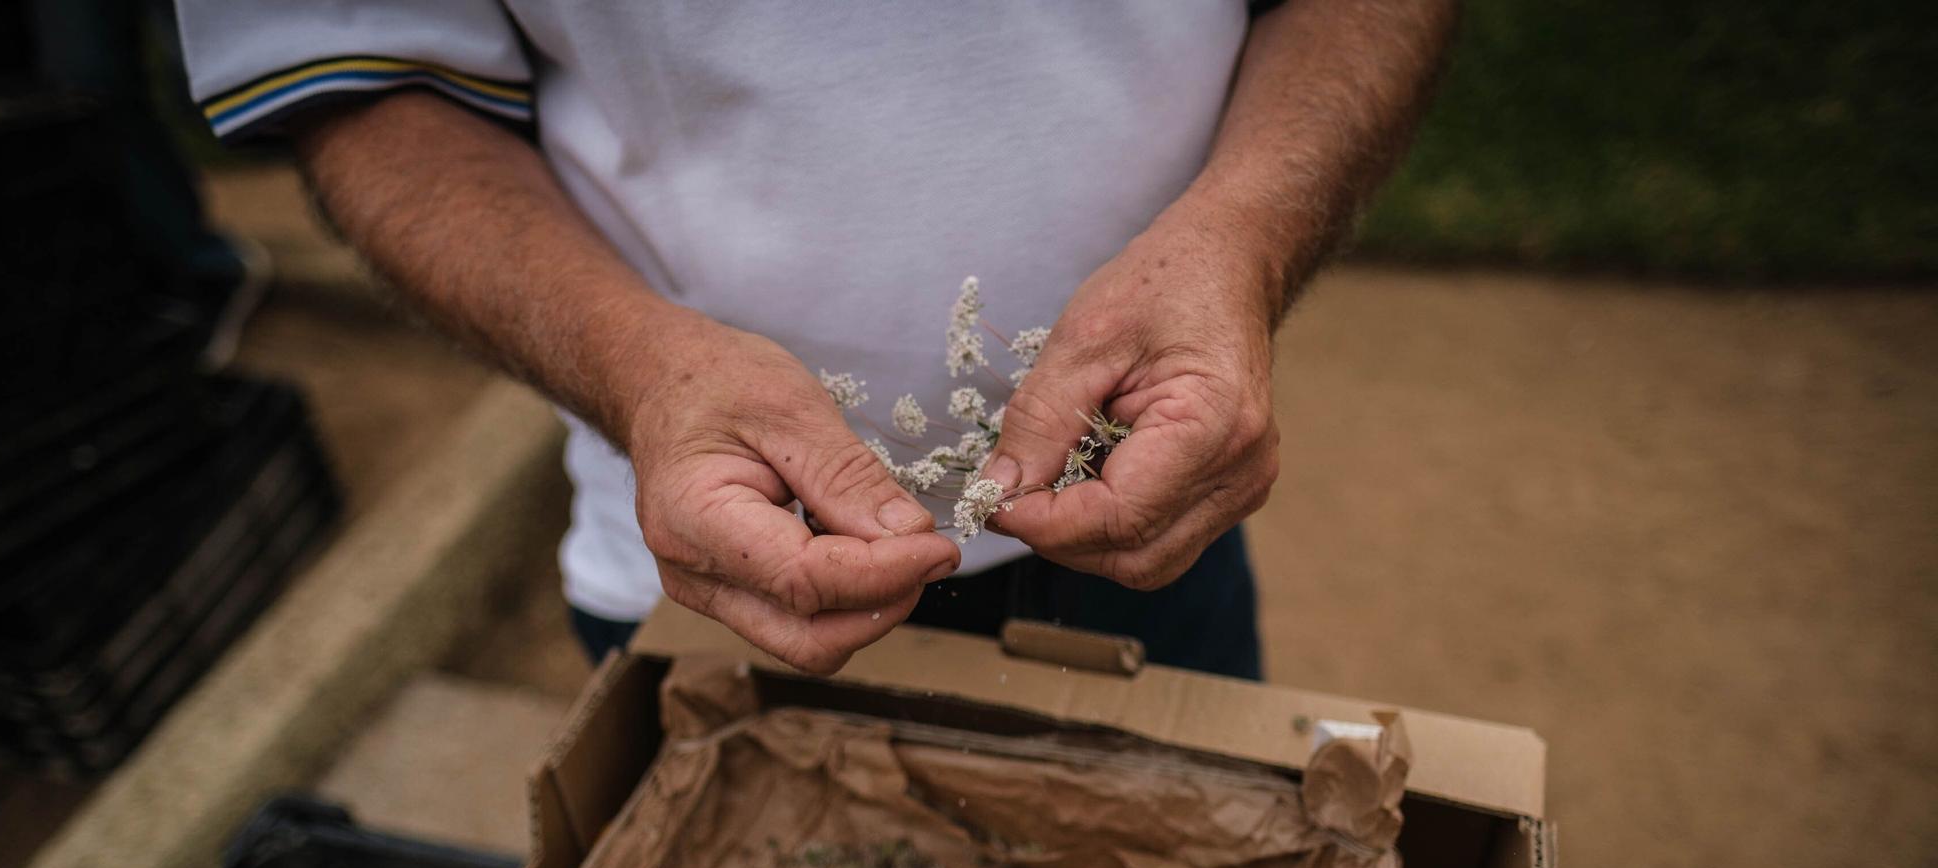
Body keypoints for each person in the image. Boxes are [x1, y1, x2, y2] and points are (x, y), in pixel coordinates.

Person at [175, 2, 1454, 680]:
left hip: (1152, 523)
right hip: (714, 564)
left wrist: (1241, 235)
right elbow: (358, 79)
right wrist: (644, 371)